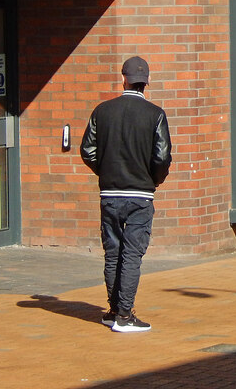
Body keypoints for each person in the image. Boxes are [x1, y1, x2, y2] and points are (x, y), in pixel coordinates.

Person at [81, 56, 172, 333]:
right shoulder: (155, 114)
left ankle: (112, 310)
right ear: (146, 82)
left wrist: (105, 171)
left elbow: (88, 150)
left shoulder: (102, 111)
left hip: (109, 193)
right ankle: (124, 314)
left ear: (123, 78)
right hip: (140, 195)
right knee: (132, 254)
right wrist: (153, 181)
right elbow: (162, 157)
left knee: (113, 252)